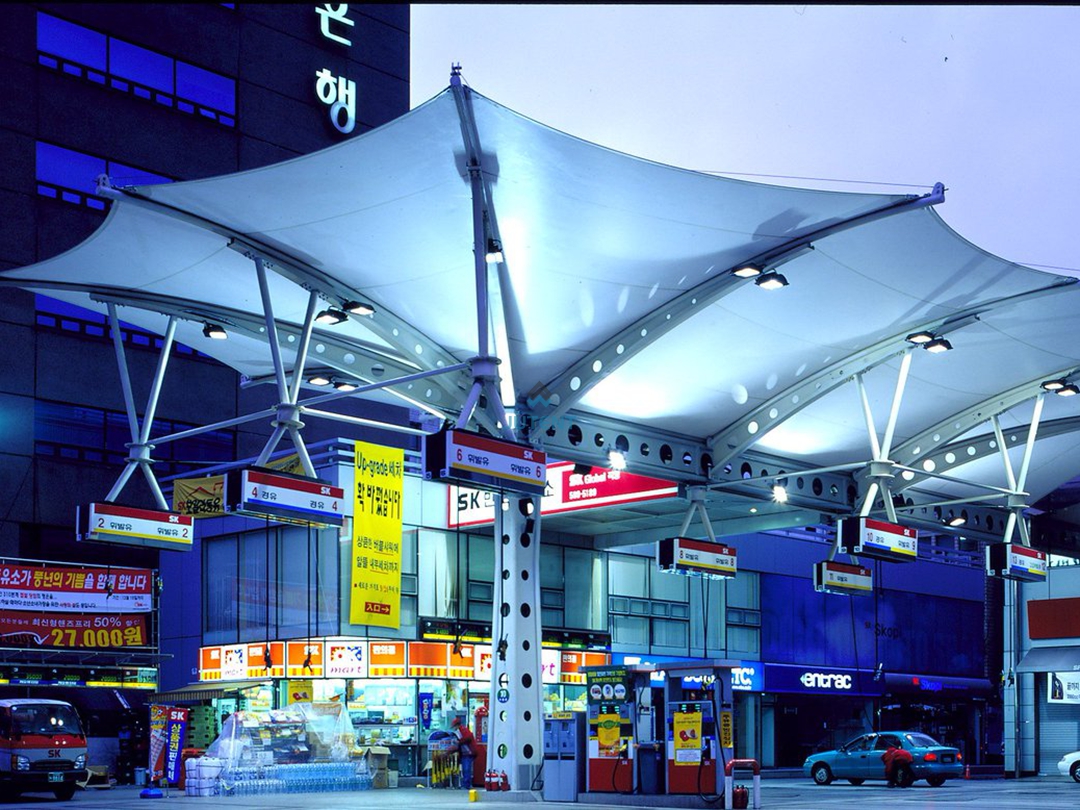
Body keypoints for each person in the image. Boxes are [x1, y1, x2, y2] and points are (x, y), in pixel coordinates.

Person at [451, 716, 476, 789]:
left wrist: (458, 742)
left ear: (457, 725)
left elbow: (467, 739)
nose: (454, 728)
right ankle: (466, 784)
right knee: (466, 770)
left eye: (454, 726)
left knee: (466, 769)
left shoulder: (463, 730)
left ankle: (466, 785)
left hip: (468, 753)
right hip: (465, 753)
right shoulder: (461, 731)